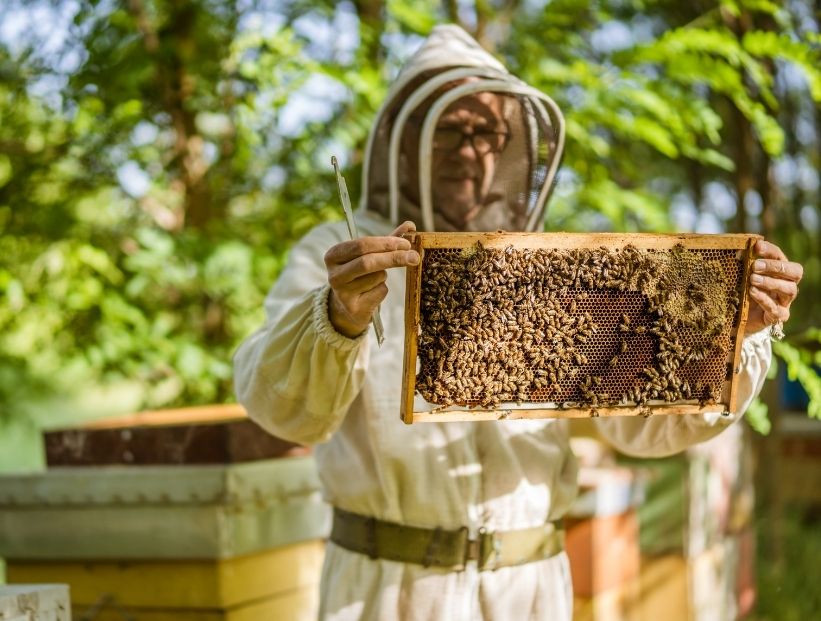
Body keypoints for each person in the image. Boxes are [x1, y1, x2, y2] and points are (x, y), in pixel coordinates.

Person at [234, 25, 803, 621]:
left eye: (489, 134)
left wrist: (729, 335)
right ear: (405, 143)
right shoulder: (341, 249)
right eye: (450, 130)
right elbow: (280, 407)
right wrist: (338, 315)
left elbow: (643, 428)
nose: (470, 149)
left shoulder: (556, 268)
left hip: (529, 592)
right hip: (385, 592)